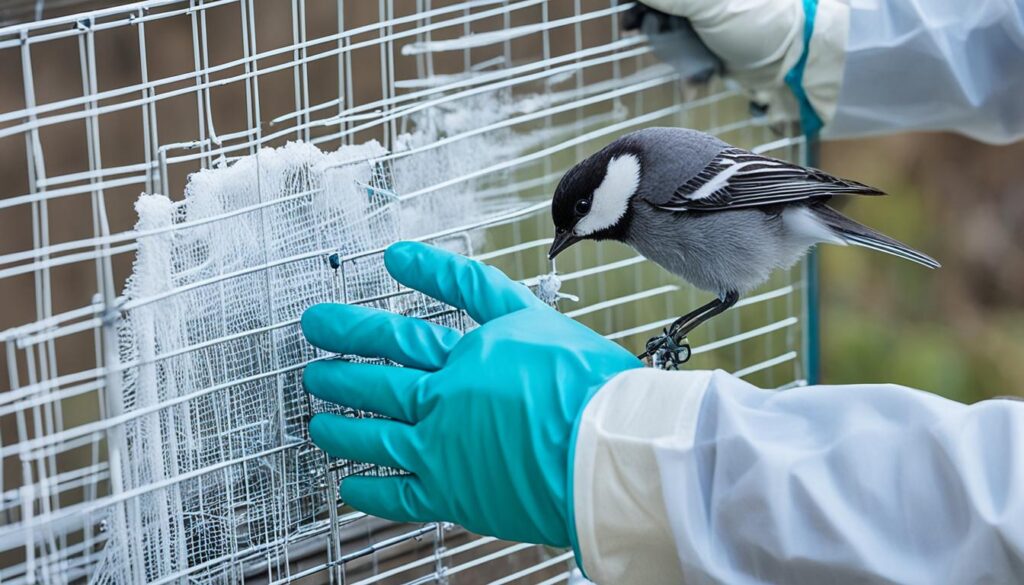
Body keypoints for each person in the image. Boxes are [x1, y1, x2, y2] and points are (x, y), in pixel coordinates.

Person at [300, 1, 1024, 583]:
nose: (574, 236)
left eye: (576, 222)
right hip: (766, 203)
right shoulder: (637, 189)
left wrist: (627, 457)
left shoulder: (653, 185)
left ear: (604, 192)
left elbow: (750, 181)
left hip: (765, 216)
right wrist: (814, 39)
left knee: (725, 294)